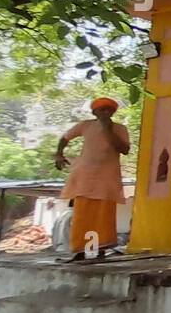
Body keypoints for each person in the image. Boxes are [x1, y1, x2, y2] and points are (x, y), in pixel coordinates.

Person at [54, 97, 130, 261]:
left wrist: (108, 130)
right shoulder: (85, 126)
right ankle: (80, 252)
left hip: (107, 179)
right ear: (94, 112)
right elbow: (64, 138)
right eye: (101, 110)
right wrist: (59, 154)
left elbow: (124, 149)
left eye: (108, 110)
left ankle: (99, 251)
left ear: (113, 112)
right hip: (85, 178)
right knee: (82, 216)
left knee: (102, 217)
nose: (105, 112)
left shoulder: (120, 128)